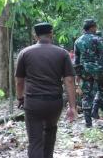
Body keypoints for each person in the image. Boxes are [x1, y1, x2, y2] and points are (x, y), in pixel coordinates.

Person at [15, 22, 76, 158]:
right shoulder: (62, 53)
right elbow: (69, 81)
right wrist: (72, 106)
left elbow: (19, 81)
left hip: (33, 102)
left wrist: (20, 98)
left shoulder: (25, 53)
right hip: (54, 103)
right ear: (51, 33)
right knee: (50, 132)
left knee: (35, 140)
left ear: (35, 35)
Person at [74, 19, 103, 127]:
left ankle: (88, 123)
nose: (96, 29)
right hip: (99, 69)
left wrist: (78, 74)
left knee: (86, 95)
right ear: (92, 27)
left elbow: (76, 59)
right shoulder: (98, 39)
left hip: (85, 71)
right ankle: (95, 110)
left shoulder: (78, 41)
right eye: (95, 27)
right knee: (101, 90)